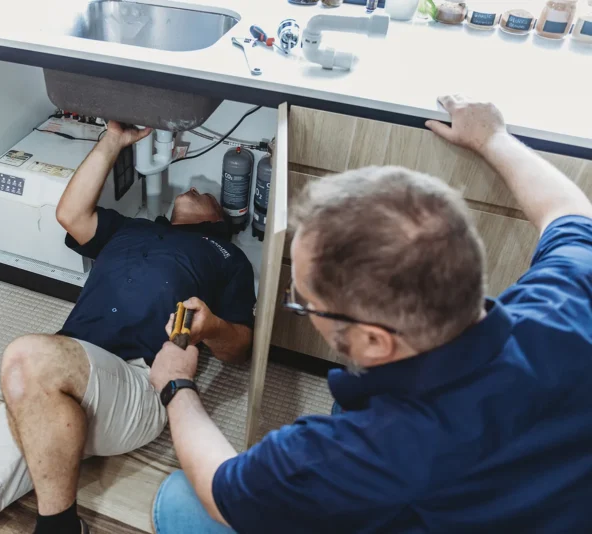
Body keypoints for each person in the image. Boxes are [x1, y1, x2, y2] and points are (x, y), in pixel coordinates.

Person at [150, 95, 592, 533]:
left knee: (180, 500)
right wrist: (493, 137)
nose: (301, 307)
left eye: (304, 301)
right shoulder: (565, 300)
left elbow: (221, 491)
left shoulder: (358, 452)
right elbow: (569, 212)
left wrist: (177, 385)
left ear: (375, 340)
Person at [0, 123, 256, 534]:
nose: (195, 188)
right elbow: (70, 214)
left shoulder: (227, 256)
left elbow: (239, 349)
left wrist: (211, 326)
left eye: (206, 195)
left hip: (138, 381)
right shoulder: (132, 228)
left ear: (217, 221)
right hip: (57, 378)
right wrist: (113, 141)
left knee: (26, 358)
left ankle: (60, 528)